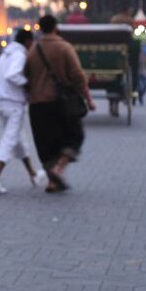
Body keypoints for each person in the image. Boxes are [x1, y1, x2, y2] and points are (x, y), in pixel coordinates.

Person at [25, 15, 96, 193]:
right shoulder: (64, 47)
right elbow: (78, 76)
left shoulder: (33, 50)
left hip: (37, 105)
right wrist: (87, 98)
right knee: (75, 136)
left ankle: (52, 182)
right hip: (60, 103)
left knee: (46, 144)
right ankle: (59, 169)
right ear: (56, 27)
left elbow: (25, 76)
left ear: (40, 28)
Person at [0, 30, 45, 193]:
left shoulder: (4, 57)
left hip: (1, 104)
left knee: (18, 140)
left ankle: (33, 174)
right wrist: (29, 85)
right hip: (14, 104)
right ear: (27, 42)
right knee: (9, 140)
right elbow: (12, 75)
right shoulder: (19, 56)